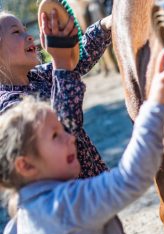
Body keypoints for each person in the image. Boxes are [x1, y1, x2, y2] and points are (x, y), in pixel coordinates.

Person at [0, 48, 164, 234]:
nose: (70, 138)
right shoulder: (69, 204)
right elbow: (130, 178)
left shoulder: (15, 229)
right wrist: (155, 104)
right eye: (55, 135)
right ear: (26, 165)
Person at [0, 10, 112, 178]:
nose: (29, 36)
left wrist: (105, 26)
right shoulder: (9, 107)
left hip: (90, 184)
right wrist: (60, 64)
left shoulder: (37, 76)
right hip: (65, 198)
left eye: (25, 29)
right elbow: (64, 128)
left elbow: (75, 60)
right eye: (16, 32)